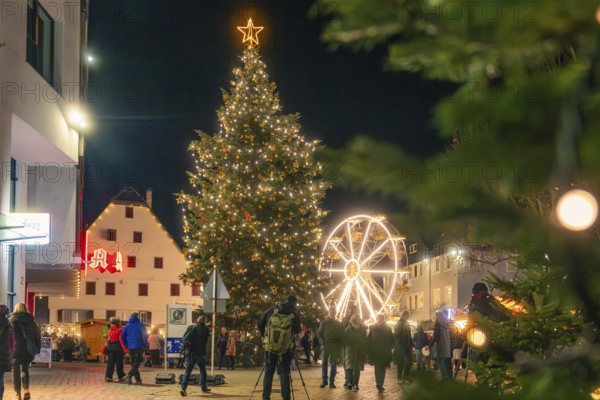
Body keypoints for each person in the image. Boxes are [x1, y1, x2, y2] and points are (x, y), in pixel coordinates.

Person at [257, 294, 301, 400]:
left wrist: (264, 336)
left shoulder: (273, 309)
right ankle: (286, 397)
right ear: (295, 304)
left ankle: (266, 396)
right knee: (284, 372)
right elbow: (297, 330)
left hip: (270, 347)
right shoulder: (294, 314)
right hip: (285, 349)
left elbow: (260, 323)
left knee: (268, 371)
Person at [10, 302, 41, 400]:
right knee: (25, 369)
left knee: (15, 371)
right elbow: (37, 337)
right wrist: (37, 348)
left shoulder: (11, 321)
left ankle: (17, 394)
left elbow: (8, 337)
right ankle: (26, 389)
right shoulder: (32, 322)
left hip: (15, 349)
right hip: (28, 349)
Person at [180, 316, 211, 396]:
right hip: (200, 354)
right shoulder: (206, 329)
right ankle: (203, 387)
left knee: (187, 372)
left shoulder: (192, 327)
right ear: (204, 322)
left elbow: (185, 337)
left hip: (191, 354)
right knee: (203, 371)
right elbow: (206, 339)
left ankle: (183, 388)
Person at [317, 307, 344, 388]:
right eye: (331, 312)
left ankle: (331, 381)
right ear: (328, 313)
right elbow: (319, 333)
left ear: (335, 313)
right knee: (325, 363)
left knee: (333, 364)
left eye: (333, 312)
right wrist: (322, 342)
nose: (332, 313)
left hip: (334, 346)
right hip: (326, 345)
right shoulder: (324, 322)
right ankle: (324, 380)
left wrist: (339, 345)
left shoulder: (339, 323)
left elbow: (341, 335)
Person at [367, 314, 394, 393]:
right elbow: (369, 340)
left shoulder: (388, 329)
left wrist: (389, 347)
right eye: (378, 319)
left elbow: (392, 340)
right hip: (376, 352)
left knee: (383, 368)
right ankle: (379, 383)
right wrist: (369, 350)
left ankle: (381, 383)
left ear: (383, 320)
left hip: (385, 352)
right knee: (378, 368)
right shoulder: (373, 329)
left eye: (380, 319)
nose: (379, 321)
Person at [121, 312, 148, 385]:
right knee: (137, 362)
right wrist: (145, 344)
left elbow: (122, 336)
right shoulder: (140, 324)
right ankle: (129, 374)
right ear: (137, 316)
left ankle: (138, 380)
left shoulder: (127, 325)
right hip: (138, 346)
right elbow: (144, 335)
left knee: (133, 363)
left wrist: (126, 345)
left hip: (130, 347)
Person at [343, 314, 367, 391]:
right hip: (350, 349)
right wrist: (351, 344)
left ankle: (356, 383)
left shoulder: (362, 329)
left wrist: (363, 345)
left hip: (359, 350)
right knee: (350, 367)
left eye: (359, 318)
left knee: (357, 368)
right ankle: (349, 382)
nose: (359, 320)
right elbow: (345, 340)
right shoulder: (348, 329)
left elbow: (364, 339)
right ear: (354, 319)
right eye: (358, 319)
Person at [425, 310, 452, 379]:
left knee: (440, 362)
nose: (434, 319)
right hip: (446, 345)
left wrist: (429, 345)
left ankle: (444, 378)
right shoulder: (445, 326)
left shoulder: (438, 325)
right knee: (443, 362)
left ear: (437, 317)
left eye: (435, 317)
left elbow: (435, 337)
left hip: (441, 346)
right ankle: (448, 377)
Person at [394, 310, 414, 383]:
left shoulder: (407, 323)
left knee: (410, 360)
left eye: (408, 315)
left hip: (407, 344)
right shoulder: (399, 323)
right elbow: (396, 334)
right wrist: (399, 341)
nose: (407, 317)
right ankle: (400, 377)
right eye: (406, 315)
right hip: (401, 344)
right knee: (401, 361)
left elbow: (409, 334)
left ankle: (406, 375)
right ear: (403, 315)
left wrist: (412, 343)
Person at [105, 318, 127, 382]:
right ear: (118, 323)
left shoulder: (109, 330)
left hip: (110, 348)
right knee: (119, 363)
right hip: (118, 348)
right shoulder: (120, 330)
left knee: (110, 363)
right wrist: (125, 349)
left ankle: (108, 376)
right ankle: (121, 376)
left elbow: (107, 337)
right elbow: (121, 340)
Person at [340, 304, 357, 389]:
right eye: (350, 309)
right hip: (345, 344)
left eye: (353, 309)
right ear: (348, 310)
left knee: (352, 363)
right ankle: (348, 379)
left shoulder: (358, 319)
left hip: (353, 345)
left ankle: (351, 380)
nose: (351, 310)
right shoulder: (344, 319)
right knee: (346, 362)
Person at [0, 305, 14, 400]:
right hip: (3, 354)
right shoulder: (9, 325)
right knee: (0, 378)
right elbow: (12, 342)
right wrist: (10, 353)